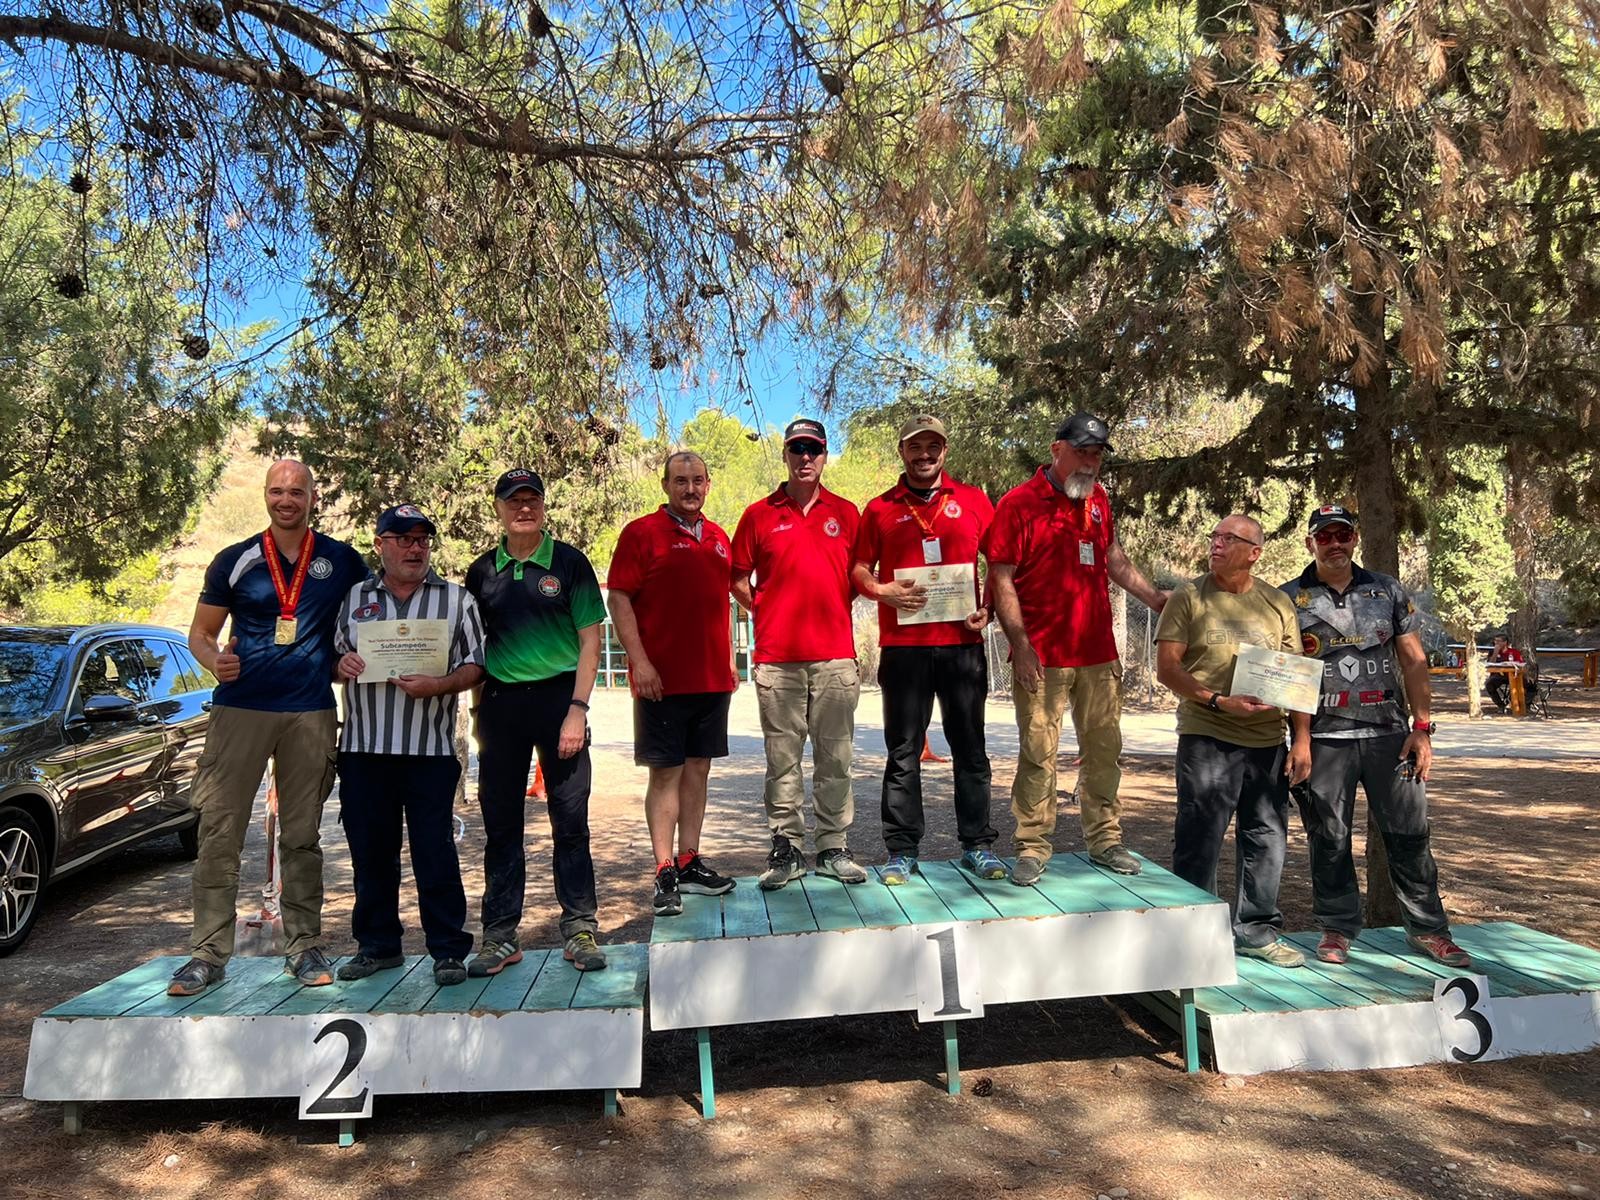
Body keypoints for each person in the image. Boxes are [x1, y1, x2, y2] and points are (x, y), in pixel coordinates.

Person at [167, 460, 369, 996]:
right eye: (277, 491)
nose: (287, 500)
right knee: (219, 831)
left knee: (302, 837)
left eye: (296, 491)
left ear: (312, 497)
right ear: (266, 496)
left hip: (310, 710)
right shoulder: (234, 561)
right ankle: (208, 953)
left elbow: (364, 624)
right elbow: (202, 633)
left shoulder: (341, 560)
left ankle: (303, 946)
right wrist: (215, 661)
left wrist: (344, 662)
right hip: (241, 710)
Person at [1280, 504, 1470, 967]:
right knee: (1329, 838)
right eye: (1325, 536)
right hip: (1325, 739)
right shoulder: (1288, 599)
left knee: (1408, 834)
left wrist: (1421, 729)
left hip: (1390, 735)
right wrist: (1300, 740)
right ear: (1311, 544)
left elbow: (1414, 661)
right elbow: (1292, 674)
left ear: (1355, 538)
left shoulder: (1385, 589)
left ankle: (1429, 930)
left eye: (1343, 534)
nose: (1335, 543)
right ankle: (1337, 928)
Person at [985, 412, 1168, 887]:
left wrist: (1153, 597)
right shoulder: (1018, 504)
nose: (1090, 462)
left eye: (1097, 454)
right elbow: (1000, 577)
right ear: (1056, 449)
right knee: (1038, 753)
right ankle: (1030, 845)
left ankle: (1105, 840)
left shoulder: (1098, 499)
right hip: (1041, 657)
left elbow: (1111, 557)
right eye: (1082, 452)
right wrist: (1020, 645)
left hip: (1098, 654)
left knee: (1105, 751)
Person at [332, 504, 486, 987]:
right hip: (363, 749)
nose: (414, 547)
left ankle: (447, 950)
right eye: (402, 538)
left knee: (434, 853)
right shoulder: (354, 597)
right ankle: (377, 947)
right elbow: (334, 656)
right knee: (370, 853)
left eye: (422, 539)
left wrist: (439, 685)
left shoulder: (456, 600)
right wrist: (343, 666)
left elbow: (477, 665)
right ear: (380, 545)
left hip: (430, 751)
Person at [465, 468, 608, 973]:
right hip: (501, 707)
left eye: (532, 500)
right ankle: (500, 935)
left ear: (543, 506)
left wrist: (578, 709)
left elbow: (591, 641)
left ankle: (580, 929)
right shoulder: (482, 571)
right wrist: (480, 713)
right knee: (501, 826)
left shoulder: (569, 563)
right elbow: (476, 650)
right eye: (513, 501)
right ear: (499, 508)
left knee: (570, 823)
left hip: (559, 703)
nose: (523, 508)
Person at [851, 414, 1003, 884]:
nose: (924, 455)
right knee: (903, 752)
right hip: (904, 648)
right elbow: (858, 568)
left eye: (933, 446)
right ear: (902, 452)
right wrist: (882, 591)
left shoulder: (975, 500)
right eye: (915, 447)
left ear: (945, 450)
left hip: (961, 646)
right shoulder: (879, 509)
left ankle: (977, 845)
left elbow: (999, 564)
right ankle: (901, 851)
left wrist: (990, 609)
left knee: (971, 750)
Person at [1155, 514, 1307, 967]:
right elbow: (1168, 668)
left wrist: (1302, 739)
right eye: (1214, 537)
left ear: (1254, 552)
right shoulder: (1188, 596)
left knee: (1266, 836)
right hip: (1208, 735)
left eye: (1229, 539)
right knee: (1199, 837)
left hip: (1267, 740)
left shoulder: (1278, 603)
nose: (1216, 544)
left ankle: (1257, 931)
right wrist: (1219, 701)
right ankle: (1196, 937)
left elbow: (1296, 677)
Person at [731, 418, 869, 889]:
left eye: (814, 449)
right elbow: (738, 578)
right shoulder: (758, 515)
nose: (805, 457)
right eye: (797, 449)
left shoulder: (848, 513)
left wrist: (828, 606)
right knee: (782, 760)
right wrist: (767, 609)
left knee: (836, 758)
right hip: (777, 661)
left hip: (834, 658)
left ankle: (833, 846)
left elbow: (857, 578)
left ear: (825, 454)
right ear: (786, 456)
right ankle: (786, 848)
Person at [607, 452, 738, 917]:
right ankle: (664, 870)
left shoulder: (720, 538)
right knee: (666, 774)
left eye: (698, 480)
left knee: (698, 770)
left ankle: (689, 860)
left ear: (708, 484)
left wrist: (727, 660)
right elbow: (619, 599)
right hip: (660, 681)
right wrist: (638, 662)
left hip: (710, 681)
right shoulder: (641, 534)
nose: (690, 489)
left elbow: (720, 604)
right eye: (680, 481)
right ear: (665, 485)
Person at [1486, 635, 1534, 713]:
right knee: (1489, 684)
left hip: (1515, 675)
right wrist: (1495, 652)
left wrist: (1526, 674)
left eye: (1499, 641)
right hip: (1499, 675)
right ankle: (1500, 705)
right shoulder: (1492, 652)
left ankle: (1525, 705)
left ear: (1505, 642)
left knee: (1531, 685)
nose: (1496, 643)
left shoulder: (1514, 652)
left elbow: (1521, 664)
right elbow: (1490, 664)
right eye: (1495, 641)